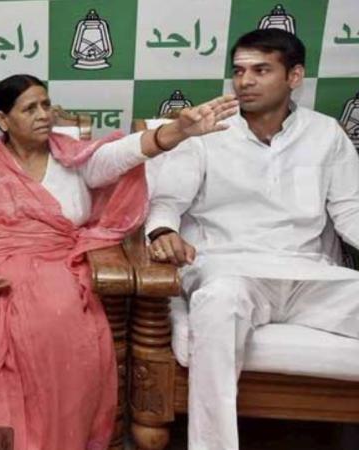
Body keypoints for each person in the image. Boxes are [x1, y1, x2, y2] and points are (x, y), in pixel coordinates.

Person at [0, 74, 238, 450]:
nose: (43, 115)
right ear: (3, 119)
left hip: (55, 261)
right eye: (29, 108)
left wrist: (178, 130)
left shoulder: (75, 159)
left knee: (51, 317)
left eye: (46, 105)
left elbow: (126, 152)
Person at [146, 29, 359, 450]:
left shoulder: (325, 134)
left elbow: (350, 210)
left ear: (294, 76)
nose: (245, 81)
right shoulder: (205, 132)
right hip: (230, 270)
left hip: (310, 276)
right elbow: (166, 202)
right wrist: (163, 232)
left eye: (261, 70)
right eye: (239, 71)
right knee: (217, 303)